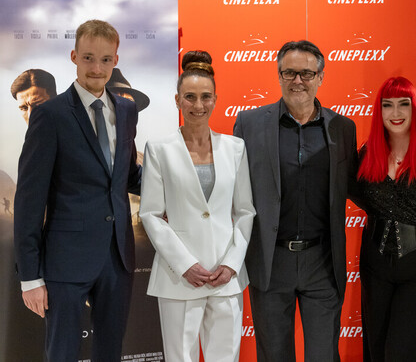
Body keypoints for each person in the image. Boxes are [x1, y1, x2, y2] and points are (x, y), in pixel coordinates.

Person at [14, 19, 142, 361]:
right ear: (74, 56)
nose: (97, 68)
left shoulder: (126, 110)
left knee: (110, 353)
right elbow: (29, 199)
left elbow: (128, 176)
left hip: (117, 258)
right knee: (62, 354)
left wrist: (176, 185)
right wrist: (30, 277)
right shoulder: (49, 115)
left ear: (115, 60)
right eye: (88, 58)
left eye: (105, 59)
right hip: (65, 261)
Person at [233, 40, 358, 361]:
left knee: (323, 355)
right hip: (270, 262)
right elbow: (231, 190)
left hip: (323, 263)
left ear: (320, 77)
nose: (297, 81)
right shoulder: (249, 124)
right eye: (289, 73)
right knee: (274, 355)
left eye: (306, 73)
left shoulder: (343, 128)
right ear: (279, 76)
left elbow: (357, 186)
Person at [140, 51, 256, 361]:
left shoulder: (235, 148)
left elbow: (245, 211)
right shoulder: (159, 149)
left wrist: (232, 263)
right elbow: (151, 214)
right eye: (190, 97)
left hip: (225, 277)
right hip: (178, 278)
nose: (198, 105)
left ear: (216, 99)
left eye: (206, 97)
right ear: (177, 100)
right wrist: (185, 265)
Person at [356, 76, 416, 361]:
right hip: (375, 269)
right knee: (376, 351)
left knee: (405, 353)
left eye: (403, 104)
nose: (395, 113)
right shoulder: (367, 153)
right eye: (387, 105)